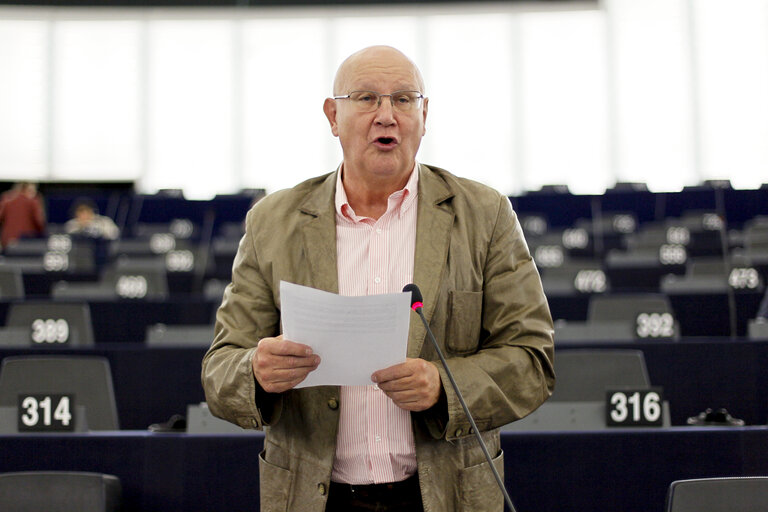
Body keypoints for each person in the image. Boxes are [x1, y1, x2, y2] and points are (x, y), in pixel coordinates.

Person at [201, 45, 555, 512]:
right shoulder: (273, 222)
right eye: (366, 98)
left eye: (404, 99)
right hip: (314, 495)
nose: (386, 115)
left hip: (445, 493)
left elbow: (532, 361)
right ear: (333, 115)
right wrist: (256, 372)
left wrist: (444, 387)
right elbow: (219, 369)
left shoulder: (484, 215)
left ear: (424, 114)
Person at [0, 181, 46, 250]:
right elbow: (39, 222)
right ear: (26, 189)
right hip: (26, 240)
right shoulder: (32, 201)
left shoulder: (6, 199)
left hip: (7, 241)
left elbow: (1, 217)